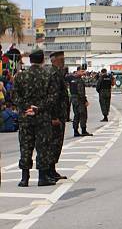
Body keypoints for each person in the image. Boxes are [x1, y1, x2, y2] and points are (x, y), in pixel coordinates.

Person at [12, 49, 59, 187]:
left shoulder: (20, 76)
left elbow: (14, 96)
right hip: (42, 117)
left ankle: (24, 178)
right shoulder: (48, 75)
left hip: (25, 116)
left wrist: (27, 107)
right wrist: (38, 108)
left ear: (30, 60)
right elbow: (53, 97)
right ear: (42, 60)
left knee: (25, 146)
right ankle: (42, 177)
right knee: (43, 146)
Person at [47, 51, 70, 181]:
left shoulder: (58, 73)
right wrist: (54, 116)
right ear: (54, 60)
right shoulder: (54, 74)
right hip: (56, 115)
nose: (63, 61)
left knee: (57, 143)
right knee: (54, 142)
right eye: (61, 59)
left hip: (60, 114)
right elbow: (54, 97)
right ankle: (50, 170)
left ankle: (52, 169)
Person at [68, 67, 93, 137]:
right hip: (79, 100)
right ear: (77, 71)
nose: (83, 73)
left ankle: (75, 131)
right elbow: (81, 92)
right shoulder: (79, 80)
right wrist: (85, 100)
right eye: (82, 71)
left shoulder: (72, 79)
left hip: (73, 99)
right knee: (83, 115)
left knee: (76, 115)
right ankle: (83, 130)